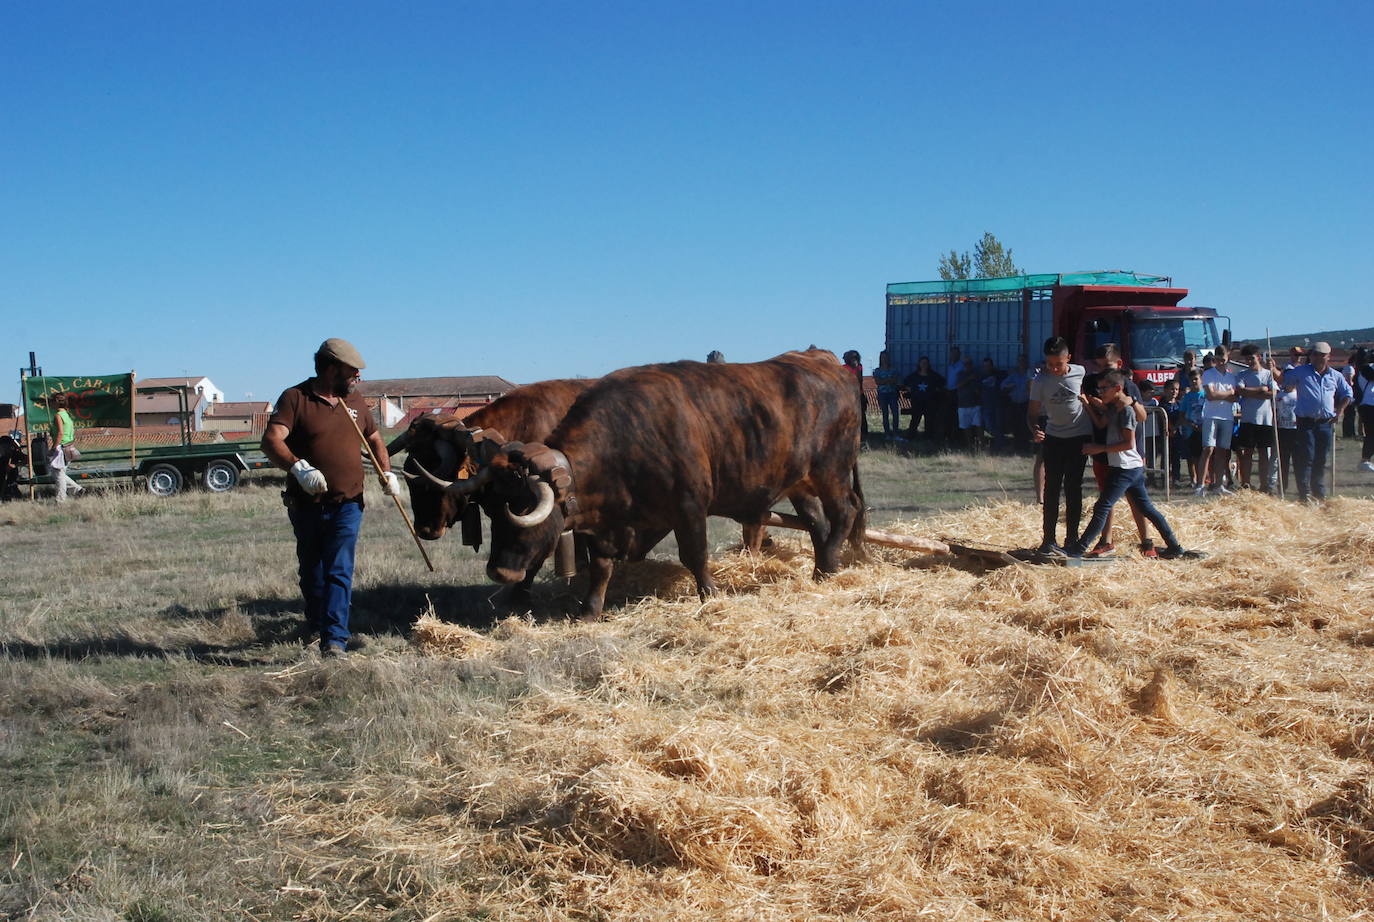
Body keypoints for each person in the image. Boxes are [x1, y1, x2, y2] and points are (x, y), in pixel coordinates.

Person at [262, 338, 400, 657]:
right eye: (352, 371)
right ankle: (316, 621)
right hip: (307, 504)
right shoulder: (296, 398)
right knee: (313, 571)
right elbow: (271, 441)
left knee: (339, 568)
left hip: (349, 503)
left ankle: (334, 640)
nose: (358, 378)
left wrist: (387, 472)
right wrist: (298, 468)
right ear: (331, 368)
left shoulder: (355, 402)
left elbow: (375, 438)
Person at [1063, 370, 1204, 560]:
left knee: (1103, 507)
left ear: (1118, 388)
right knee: (1147, 509)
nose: (1100, 392)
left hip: (1125, 468)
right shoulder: (1113, 407)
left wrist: (1099, 448)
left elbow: (1129, 444)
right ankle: (1174, 546)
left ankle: (1078, 549)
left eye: (1104, 388)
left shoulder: (1126, 411)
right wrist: (1088, 405)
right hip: (1130, 468)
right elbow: (1101, 423)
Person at [1080, 344, 1151, 556]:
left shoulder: (1128, 386)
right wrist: (1093, 404)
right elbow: (1103, 416)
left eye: (1107, 366)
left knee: (1137, 499)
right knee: (1106, 497)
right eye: (1099, 366)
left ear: (1119, 365)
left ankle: (1147, 540)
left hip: (1129, 451)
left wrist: (1132, 401)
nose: (1103, 372)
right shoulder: (1092, 383)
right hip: (1104, 447)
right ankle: (1106, 540)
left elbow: (1142, 416)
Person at [1027, 337, 1092, 555]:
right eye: (1050, 363)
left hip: (1079, 436)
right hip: (1054, 437)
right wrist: (1035, 428)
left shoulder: (1081, 372)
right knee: (1052, 488)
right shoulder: (1040, 381)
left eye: (1059, 364)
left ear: (1069, 359)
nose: (1054, 368)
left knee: (1074, 488)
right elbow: (1032, 413)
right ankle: (1048, 540)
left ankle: (1072, 538)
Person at [1280, 341, 1352, 503]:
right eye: (1315, 354)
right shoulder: (1301, 372)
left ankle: (1318, 492)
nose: (1318, 358)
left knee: (1321, 458)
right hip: (1306, 422)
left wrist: (1339, 410)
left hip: (1325, 423)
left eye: (1322, 355)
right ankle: (1304, 493)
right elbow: (1284, 381)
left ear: (1328, 357)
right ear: (1311, 356)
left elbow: (1348, 393)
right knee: (1306, 457)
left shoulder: (1336, 376)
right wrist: (1274, 370)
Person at [1233, 344, 1278, 493]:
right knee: (1248, 452)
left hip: (1265, 420)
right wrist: (1261, 389)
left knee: (1264, 453)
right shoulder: (1242, 375)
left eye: (1251, 358)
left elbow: (1272, 393)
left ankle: (1264, 484)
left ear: (1258, 357)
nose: (1249, 361)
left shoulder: (1268, 374)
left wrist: (1256, 391)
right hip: (1248, 419)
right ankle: (1246, 483)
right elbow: (1241, 391)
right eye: (1247, 359)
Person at [1197, 343, 1239, 497]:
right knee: (1208, 449)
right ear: (1215, 359)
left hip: (1227, 416)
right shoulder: (1208, 374)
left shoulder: (1231, 377)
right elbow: (1210, 395)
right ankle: (1200, 485)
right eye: (1218, 359)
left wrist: (1223, 394)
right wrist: (1227, 393)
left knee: (1222, 451)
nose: (1221, 362)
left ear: (1228, 359)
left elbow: (1235, 397)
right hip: (1211, 416)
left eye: (1224, 359)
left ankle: (1219, 485)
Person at [46, 394, 84, 502]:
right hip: (69, 446)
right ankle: (78, 490)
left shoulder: (58, 415)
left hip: (61, 448)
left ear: (56, 402)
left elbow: (60, 433)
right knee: (59, 473)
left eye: (51, 401)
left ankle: (61, 500)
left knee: (58, 475)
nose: (50, 403)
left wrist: (53, 448)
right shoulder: (66, 414)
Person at [902, 356, 943, 442]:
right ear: (919, 364)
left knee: (929, 419)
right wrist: (909, 389)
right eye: (922, 363)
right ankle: (911, 436)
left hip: (929, 401)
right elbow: (905, 383)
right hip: (917, 401)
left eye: (926, 363)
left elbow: (942, 382)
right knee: (915, 419)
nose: (924, 365)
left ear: (928, 365)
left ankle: (928, 437)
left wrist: (936, 390)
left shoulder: (933, 375)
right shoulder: (914, 376)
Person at [1179, 369, 1206, 489]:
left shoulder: (1206, 395)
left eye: (1196, 379)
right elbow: (1182, 415)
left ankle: (1206, 479)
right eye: (1191, 380)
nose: (1194, 382)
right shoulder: (1187, 397)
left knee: (1206, 455)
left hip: (1205, 428)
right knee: (1193, 457)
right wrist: (1190, 424)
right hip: (1191, 430)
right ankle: (1194, 479)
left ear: (1201, 379)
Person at [1002, 354, 1032, 452]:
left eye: (1023, 361)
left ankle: (1025, 446)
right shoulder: (1014, 375)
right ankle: (1016, 446)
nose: (1021, 363)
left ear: (1026, 362)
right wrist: (1009, 386)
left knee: (1025, 426)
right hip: (1015, 404)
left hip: (1025, 404)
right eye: (1019, 361)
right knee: (1015, 425)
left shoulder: (1030, 374)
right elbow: (1002, 386)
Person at [1274, 376, 1299, 493]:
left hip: (1296, 430)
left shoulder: (1299, 395)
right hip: (1282, 430)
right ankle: (1283, 486)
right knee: (1283, 460)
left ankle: (1301, 486)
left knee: (1298, 459)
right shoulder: (1279, 396)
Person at [1352, 347, 1374, 472]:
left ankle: (1366, 459)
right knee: (1371, 433)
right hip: (1369, 405)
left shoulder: (1360, 370)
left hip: (1366, 405)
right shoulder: (1366, 369)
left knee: (1371, 433)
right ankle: (1365, 460)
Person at [873, 351, 903, 441]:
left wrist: (884, 380)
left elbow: (894, 380)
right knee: (885, 414)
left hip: (892, 393)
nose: (884, 359)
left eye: (886, 357)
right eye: (883, 357)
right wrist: (888, 380)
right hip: (882, 394)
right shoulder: (877, 370)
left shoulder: (894, 370)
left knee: (895, 414)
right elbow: (878, 382)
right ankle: (887, 434)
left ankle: (896, 434)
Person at [955, 357, 982, 452]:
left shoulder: (977, 374)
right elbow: (958, 385)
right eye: (966, 364)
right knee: (966, 426)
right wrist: (969, 379)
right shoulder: (960, 374)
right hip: (963, 404)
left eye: (969, 363)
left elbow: (980, 388)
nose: (968, 365)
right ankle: (969, 445)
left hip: (975, 404)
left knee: (978, 425)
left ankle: (980, 445)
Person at [978, 357, 1003, 452]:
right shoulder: (981, 376)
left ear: (992, 366)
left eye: (988, 366)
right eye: (985, 366)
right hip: (986, 404)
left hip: (996, 404)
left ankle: (999, 446)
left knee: (997, 425)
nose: (987, 368)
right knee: (989, 426)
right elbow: (977, 388)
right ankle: (998, 444)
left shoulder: (998, 375)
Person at [842, 350, 868, 439]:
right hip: (851, 394)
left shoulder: (858, 367)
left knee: (861, 414)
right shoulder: (845, 367)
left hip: (856, 394)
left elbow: (859, 380)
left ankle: (862, 432)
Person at [1, 429, 27, 501]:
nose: (4, 447)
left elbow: (27, 459)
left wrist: (14, 465)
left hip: (10, 481)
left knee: (12, 493)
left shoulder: (13, 453)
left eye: (6, 445)